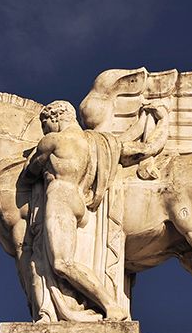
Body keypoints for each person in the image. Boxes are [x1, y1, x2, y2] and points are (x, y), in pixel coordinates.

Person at [24, 100, 125, 320]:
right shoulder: (93, 143)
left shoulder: (53, 140)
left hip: (59, 197)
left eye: (45, 125)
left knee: (62, 263)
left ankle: (110, 305)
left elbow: (29, 174)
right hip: (78, 200)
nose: (45, 130)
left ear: (55, 118)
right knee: (65, 262)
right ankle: (108, 304)